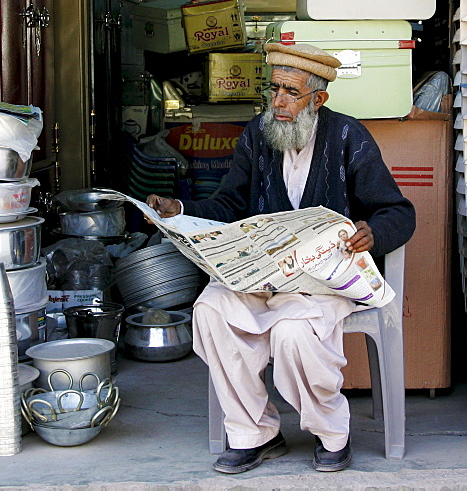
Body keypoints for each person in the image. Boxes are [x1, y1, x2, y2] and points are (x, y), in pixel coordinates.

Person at [147, 41, 415, 474]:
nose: (278, 102)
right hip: (260, 276)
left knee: (293, 332)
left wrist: (373, 233)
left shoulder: (348, 137)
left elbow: (397, 212)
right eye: (274, 90)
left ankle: (331, 434)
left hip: (319, 284)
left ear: (318, 99)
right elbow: (228, 206)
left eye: (290, 93)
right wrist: (180, 212)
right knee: (211, 311)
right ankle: (257, 433)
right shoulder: (258, 134)